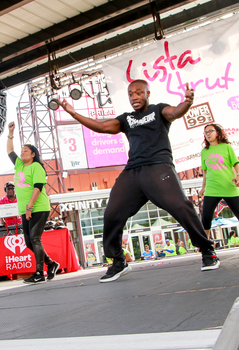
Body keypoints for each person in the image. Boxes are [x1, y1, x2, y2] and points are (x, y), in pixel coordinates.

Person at [59, 80, 219, 283]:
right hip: (133, 171)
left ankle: (207, 250)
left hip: (159, 167)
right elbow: (101, 126)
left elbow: (175, 112)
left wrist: (187, 102)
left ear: (147, 93)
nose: (134, 97)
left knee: (180, 206)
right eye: (130, 94)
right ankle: (118, 261)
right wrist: (73, 113)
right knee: (112, 213)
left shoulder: (158, 110)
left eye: (138, 93)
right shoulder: (126, 119)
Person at [6, 122, 60, 284]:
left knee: (35, 238)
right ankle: (51, 264)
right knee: (29, 241)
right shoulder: (19, 165)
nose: (22, 153)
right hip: (25, 209)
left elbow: (37, 188)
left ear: (33, 154)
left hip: (38, 207)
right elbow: (10, 150)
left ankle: (39, 273)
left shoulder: (36, 166)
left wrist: (30, 207)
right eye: (21, 151)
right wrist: (10, 132)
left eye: (26, 151)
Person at [199, 123, 239, 252]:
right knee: (206, 216)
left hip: (229, 186)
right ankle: (206, 245)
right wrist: (203, 188)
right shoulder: (204, 152)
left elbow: (236, 164)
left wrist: (238, 175)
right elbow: (205, 171)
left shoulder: (226, 147)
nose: (208, 134)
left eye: (210, 131)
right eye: (205, 132)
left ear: (218, 133)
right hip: (211, 187)